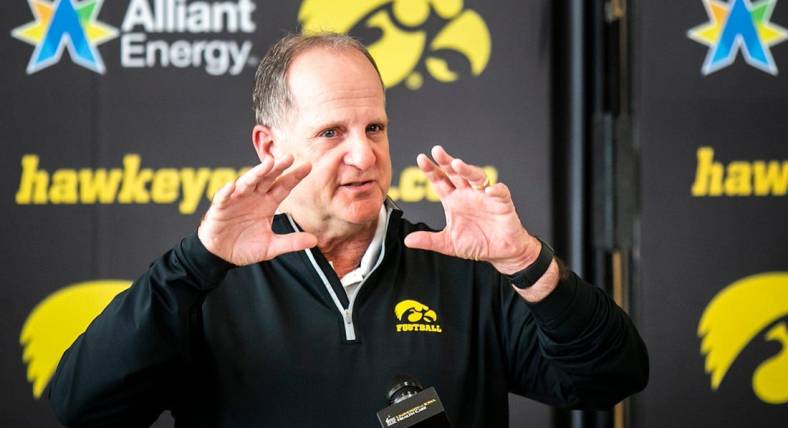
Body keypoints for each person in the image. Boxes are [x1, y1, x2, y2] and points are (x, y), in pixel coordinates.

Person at [49, 33, 648, 428]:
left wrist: (525, 262)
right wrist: (194, 265)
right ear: (268, 145)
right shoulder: (202, 284)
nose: (364, 156)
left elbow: (612, 378)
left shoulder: (468, 272)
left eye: (376, 128)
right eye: (332, 132)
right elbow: (82, 409)